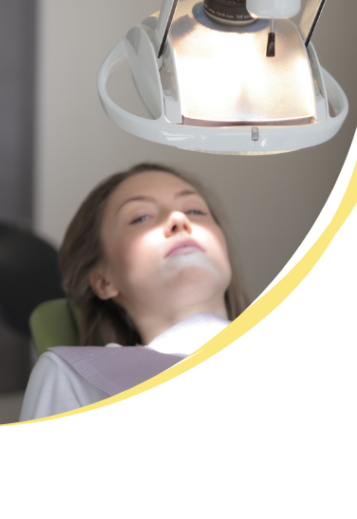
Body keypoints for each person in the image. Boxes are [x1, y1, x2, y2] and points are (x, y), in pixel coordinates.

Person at [19, 164, 247, 422]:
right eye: (140, 217)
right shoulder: (73, 378)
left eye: (194, 211)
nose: (178, 220)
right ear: (103, 281)